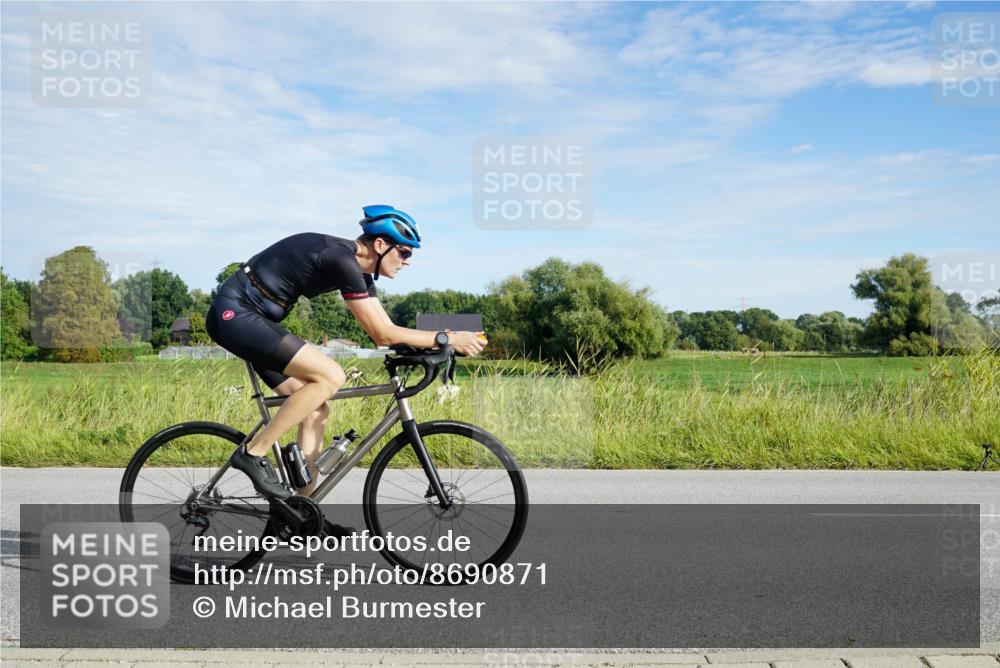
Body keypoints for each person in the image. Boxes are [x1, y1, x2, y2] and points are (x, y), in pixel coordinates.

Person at [205, 205, 486, 515]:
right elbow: (383, 335)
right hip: (236, 313)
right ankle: (253, 453)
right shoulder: (341, 259)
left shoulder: (360, 273)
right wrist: (446, 339)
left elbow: (386, 329)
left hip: (257, 319)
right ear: (380, 245)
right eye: (405, 252)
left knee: (316, 409)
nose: (408, 261)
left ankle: (300, 513)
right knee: (331, 376)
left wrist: (439, 342)